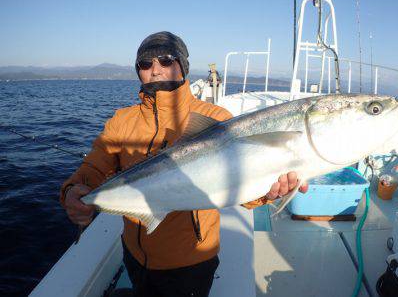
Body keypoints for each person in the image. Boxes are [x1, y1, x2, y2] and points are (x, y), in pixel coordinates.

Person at [60, 31, 308, 297]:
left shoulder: (215, 118)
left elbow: (244, 186)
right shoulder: (122, 121)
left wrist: (268, 192)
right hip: (133, 252)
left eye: (165, 60)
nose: (155, 70)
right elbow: (95, 166)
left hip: (191, 261)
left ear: (183, 65)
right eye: (145, 64)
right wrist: (74, 190)